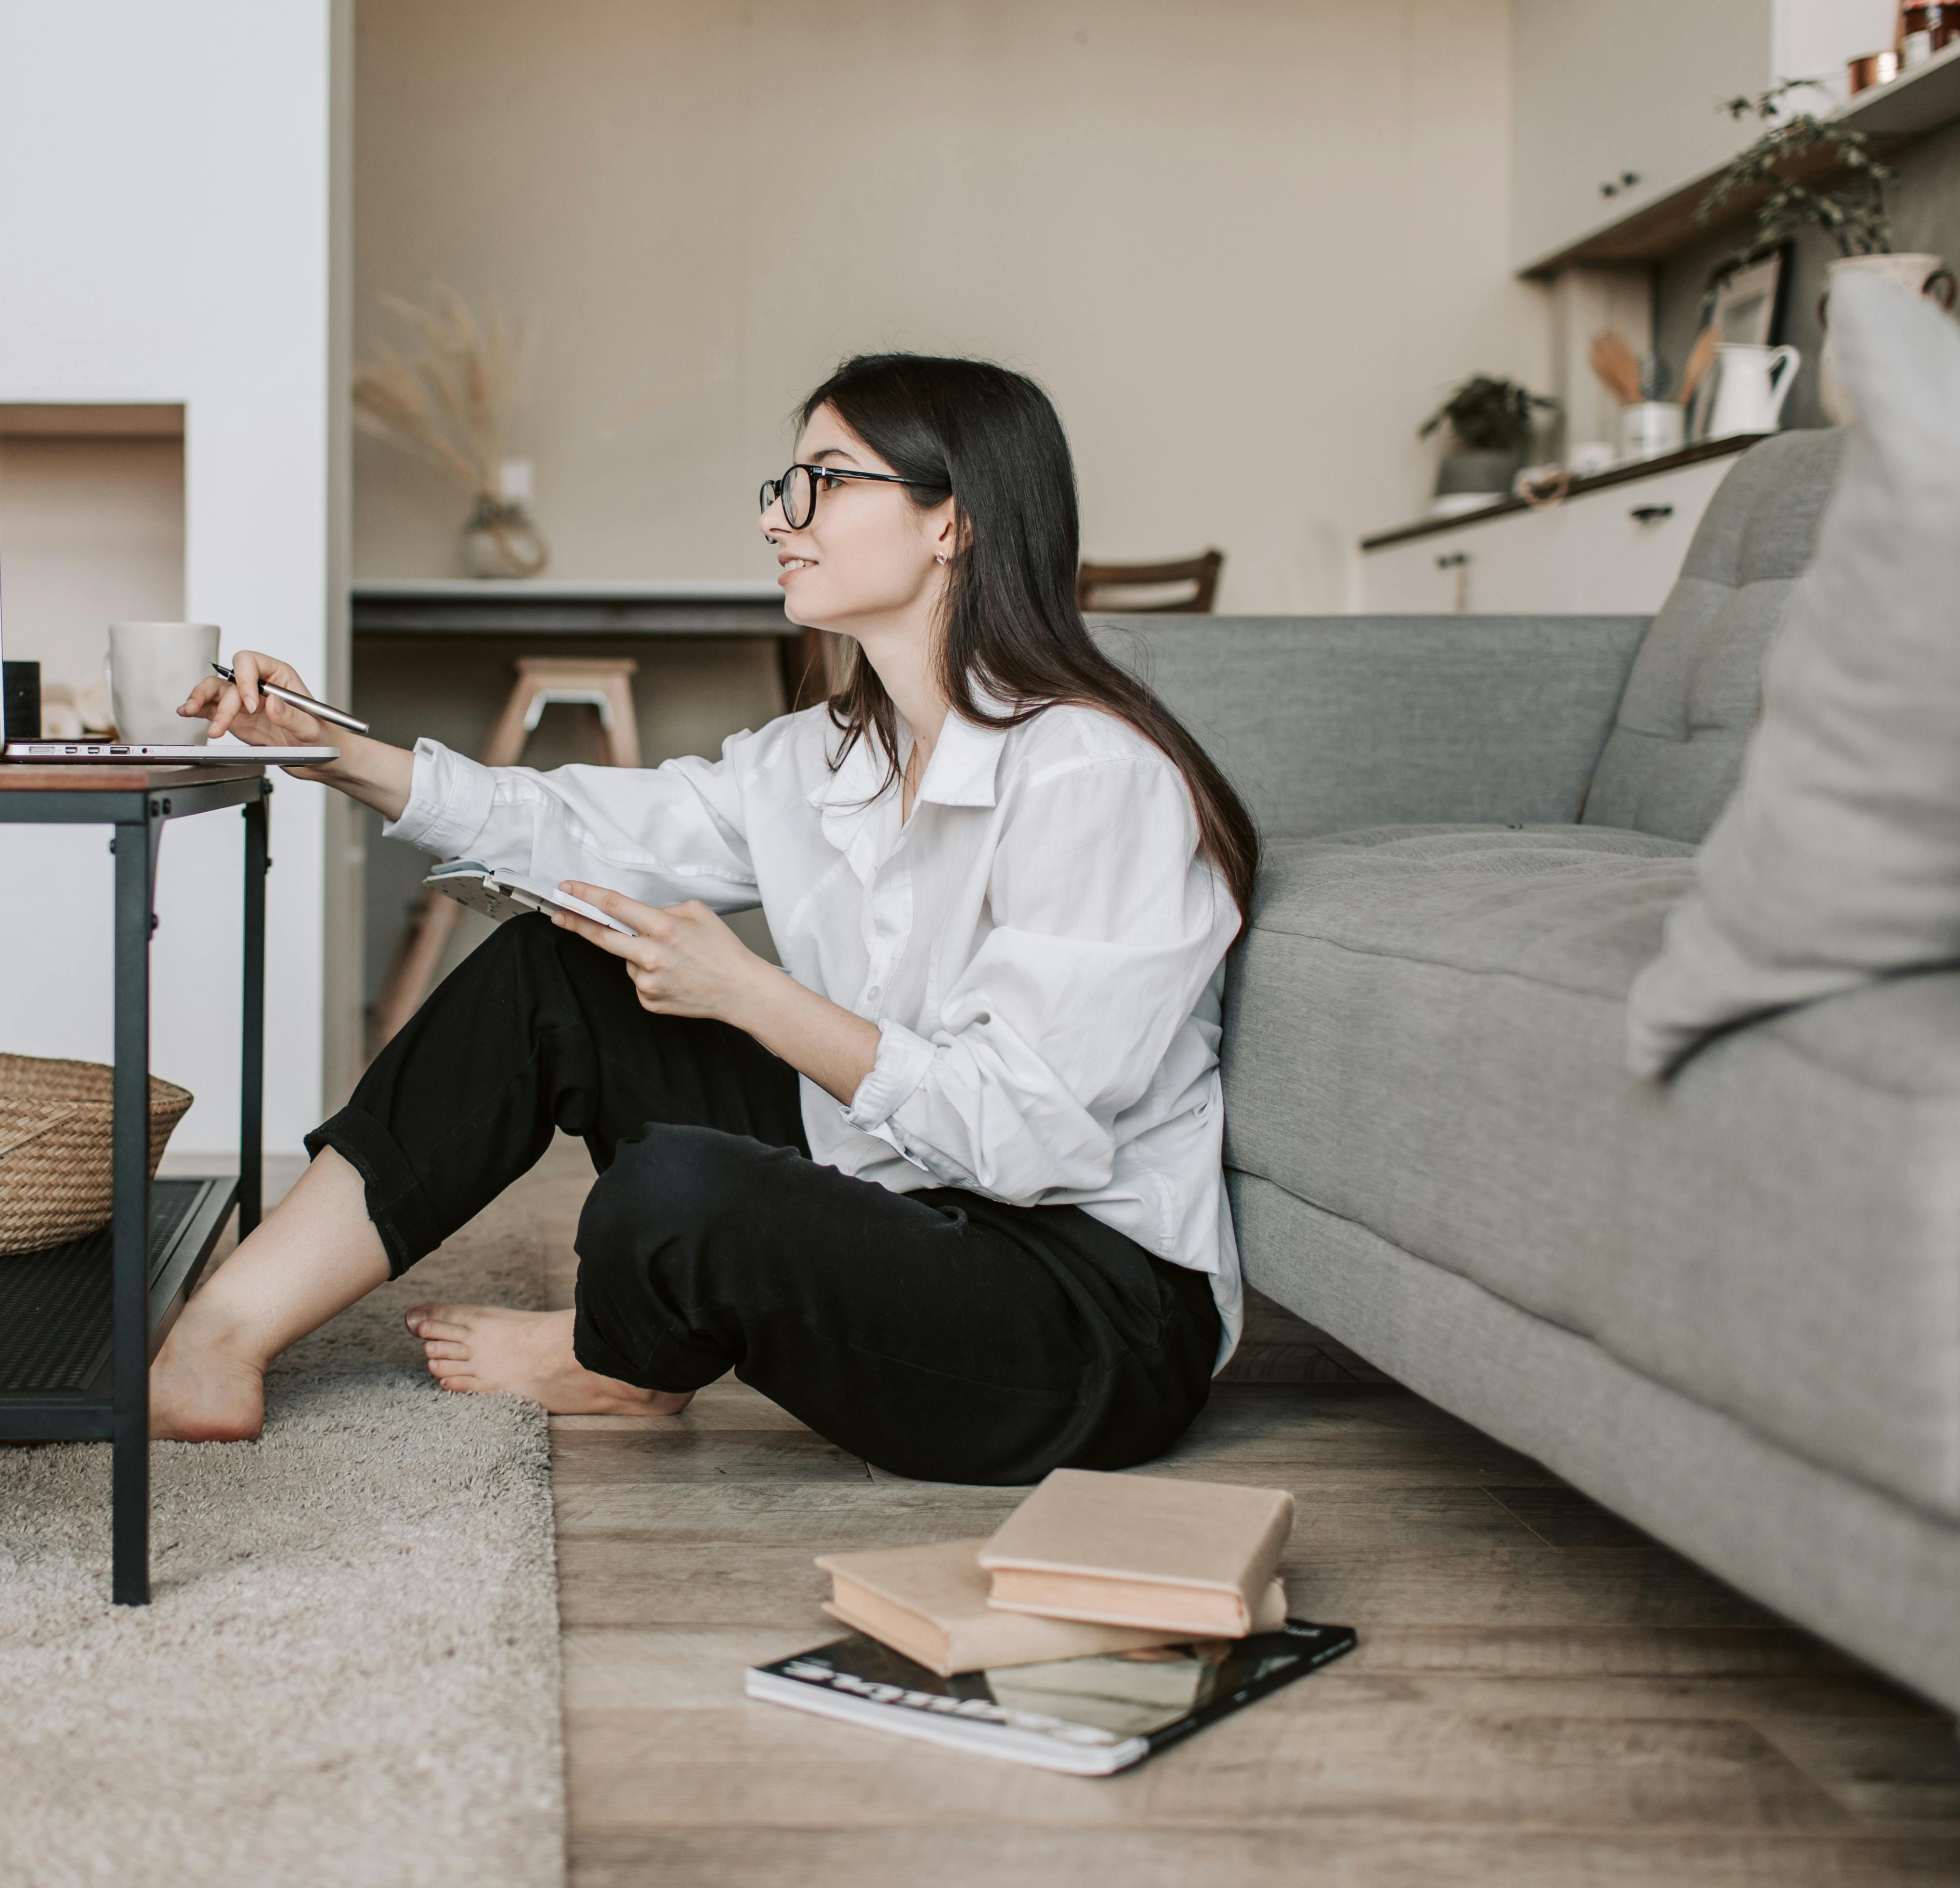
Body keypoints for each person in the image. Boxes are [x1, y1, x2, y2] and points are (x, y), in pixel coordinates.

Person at [151, 353, 1258, 1486]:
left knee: (674, 1195)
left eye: (827, 481)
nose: (784, 518)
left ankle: (618, 1353)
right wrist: (327, 751)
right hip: (904, 1195)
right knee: (557, 969)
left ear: (952, 522)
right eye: (785, 486)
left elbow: (1027, 1140)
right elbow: (569, 826)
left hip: (1084, 1312)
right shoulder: (831, 753)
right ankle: (220, 1334)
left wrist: (751, 993)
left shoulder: (1091, 777)